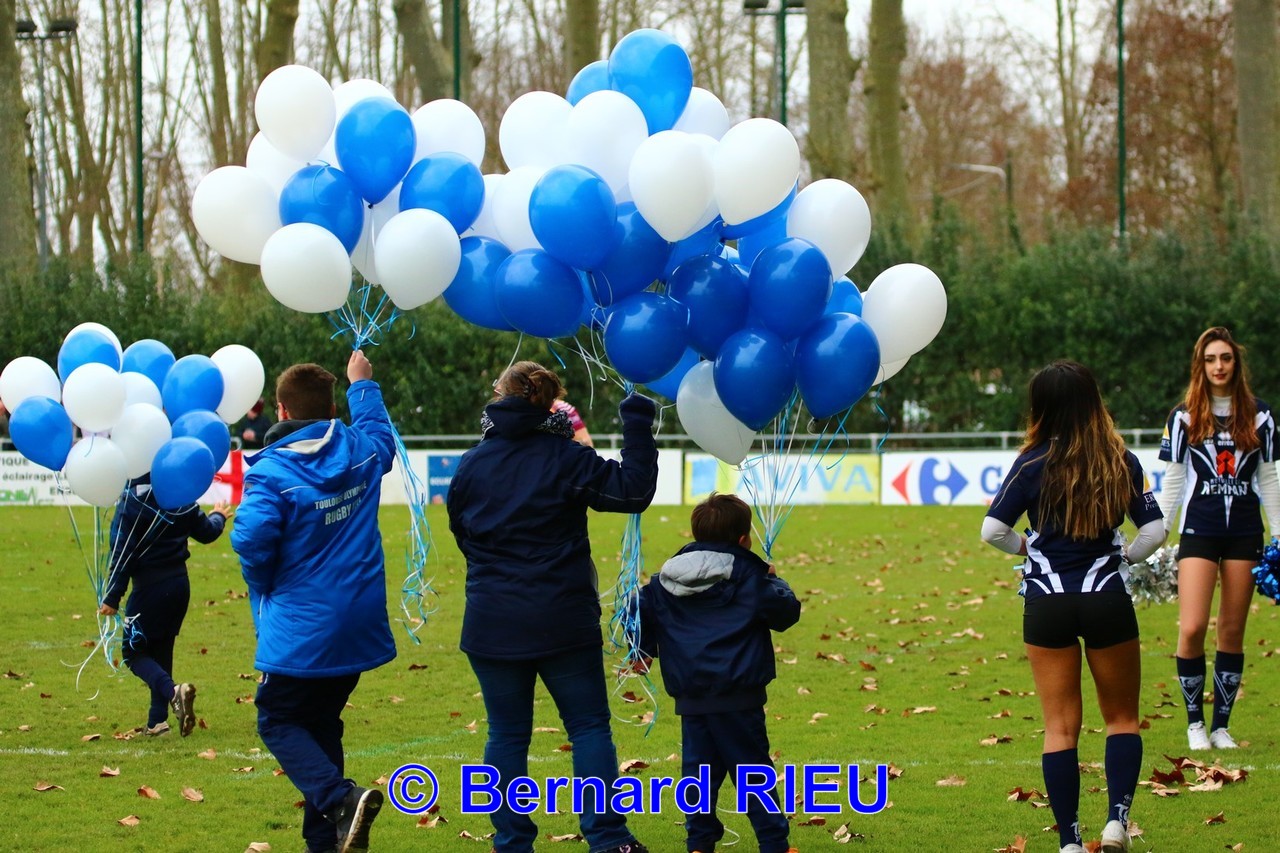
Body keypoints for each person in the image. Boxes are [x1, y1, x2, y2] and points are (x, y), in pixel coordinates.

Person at [447, 361, 658, 853]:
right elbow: (633, 490)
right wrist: (636, 421)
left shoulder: (473, 463)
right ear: (550, 403)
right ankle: (607, 837)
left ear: (500, 397)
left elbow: (462, 531)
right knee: (588, 728)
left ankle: (512, 842)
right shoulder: (566, 457)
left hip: (493, 619)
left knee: (506, 735)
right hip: (562, 617)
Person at [981, 361, 1165, 853]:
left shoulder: (1031, 462)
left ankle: (1069, 841)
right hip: (1106, 597)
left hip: (1047, 603)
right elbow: (1155, 530)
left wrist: (1028, 549)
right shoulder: (1119, 458)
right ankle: (1116, 824)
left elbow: (992, 530)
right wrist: (1125, 557)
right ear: (1092, 401)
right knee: (1122, 718)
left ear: (1041, 407)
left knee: (1060, 727)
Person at [231, 350, 396, 853]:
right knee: (321, 724)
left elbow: (251, 540)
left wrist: (266, 588)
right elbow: (382, 438)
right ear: (331, 409)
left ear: (281, 411)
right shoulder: (359, 449)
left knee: (277, 718)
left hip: (304, 626)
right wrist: (362, 384)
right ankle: (326, 841)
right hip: (358, 621)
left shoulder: (272, 470)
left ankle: (341, 800)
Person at [638, 492, 801, 853]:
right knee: (753, 771)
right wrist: (775, 580)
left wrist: (644, 649)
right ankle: (774, 843)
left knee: (699, 773)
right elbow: (786, 613)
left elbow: (641, 606)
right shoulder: (751, 579)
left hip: (692, 695)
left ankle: (699, 842)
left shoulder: (663, 582)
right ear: (743, 540)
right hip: (739, 695)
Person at [1157, 326, 1280, 751]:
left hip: (1245, 533)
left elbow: (1269, 479)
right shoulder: (1184, 417)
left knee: (1231, 630)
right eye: (1210, 359)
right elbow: (1174, 480)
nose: (1219, 366)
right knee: (1192, 627)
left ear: (1236, 363)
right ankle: (1195, 723)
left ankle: (1221, 727)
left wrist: (1279, 535)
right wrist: (1160, 531)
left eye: (1225, 358)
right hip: (1199, 532)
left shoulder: (1260, 415)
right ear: (1200, 365)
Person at [97, 479, 231, 737]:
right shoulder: (180, 494)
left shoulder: (131, 502)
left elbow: (122, 553)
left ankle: (173, 692)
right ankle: (157, 722)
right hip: (179, 586)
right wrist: (218, 516)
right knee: (161, 650)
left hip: (149, 588)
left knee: (133, 653)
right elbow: (207, 533)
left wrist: (112, 596)